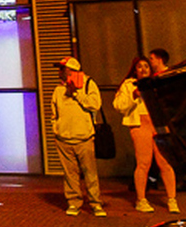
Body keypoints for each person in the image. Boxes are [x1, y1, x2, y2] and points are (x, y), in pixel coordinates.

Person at [114, 55, 178, 213]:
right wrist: (134, 95)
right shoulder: (129, 85)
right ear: (135, 70)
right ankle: (141, 200)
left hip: (158, 124)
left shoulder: (158, 82)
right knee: (144, 163)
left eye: (146, 66)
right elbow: (119, 106)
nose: (143, 69)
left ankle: (172, 199)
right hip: (140, 124)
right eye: (140, 66)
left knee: (165, 162)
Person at [51, 58, 106, 217]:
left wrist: (76, 93)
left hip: (84, 137)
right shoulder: (58, 90)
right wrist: (56, 129)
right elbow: (54, 113)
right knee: (70, 174)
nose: (59, 72)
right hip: (63, 139)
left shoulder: (88, 84)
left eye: (62, 69)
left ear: (71, 70)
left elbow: (95, 104)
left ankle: (95, 203)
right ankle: (74, 202)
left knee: (90, 173)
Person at [147, 49, 186, 193]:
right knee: (160, 148)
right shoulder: (156, 77)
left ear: (160, 59)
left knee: (173, 148)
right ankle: (154, 179)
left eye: (152, 59)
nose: (150, 62)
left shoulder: (168, 76)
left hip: (170, 118)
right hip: (162, 118)